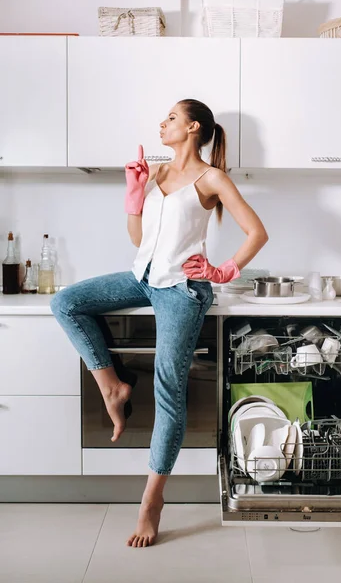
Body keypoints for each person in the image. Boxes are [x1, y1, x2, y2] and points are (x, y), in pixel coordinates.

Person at [50, 98, 268, 548]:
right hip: (141, 278)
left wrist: (222, 270)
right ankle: (112, 384)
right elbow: (139, 240)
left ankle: (151, 501)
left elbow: (256, 232)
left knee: (169, 389)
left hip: (180, 290)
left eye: (171, 117)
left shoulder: (212, 178)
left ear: (192, 127)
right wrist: (134, 196)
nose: (161, 123)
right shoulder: (157, 174)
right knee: (66, 302)